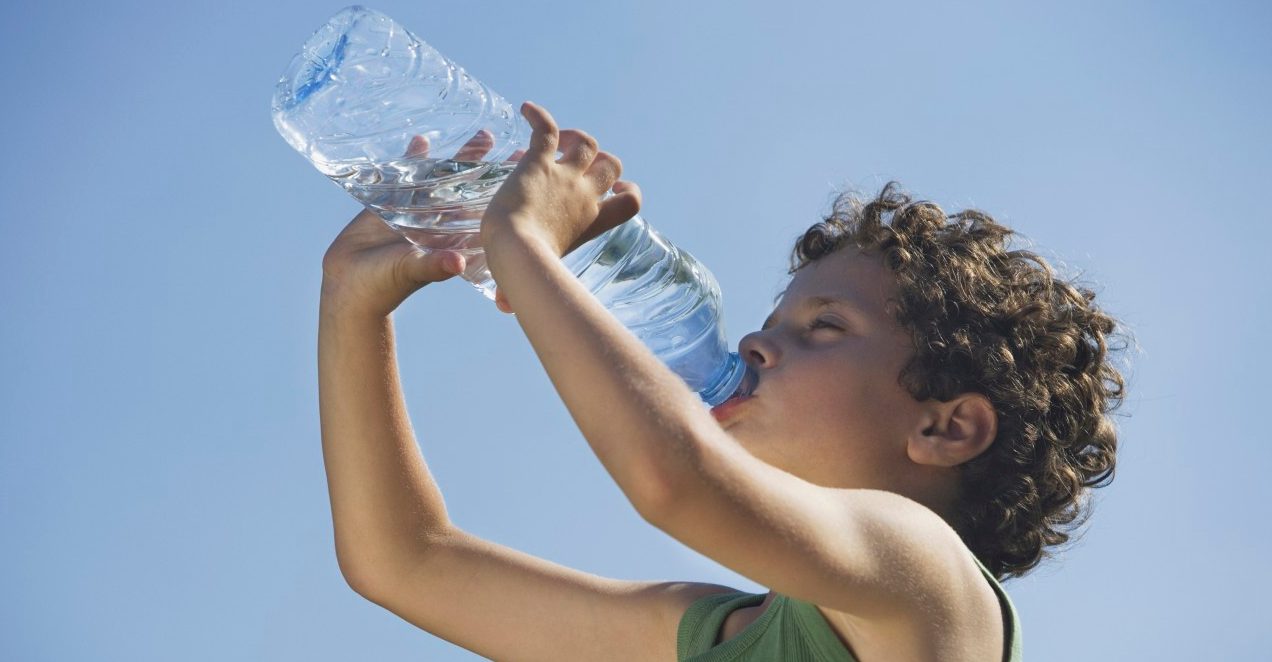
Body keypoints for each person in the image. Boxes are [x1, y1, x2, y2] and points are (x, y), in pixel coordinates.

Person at [317, 101, 1126, 661]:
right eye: (771, 323)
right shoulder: (716, 635)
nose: (754, 343)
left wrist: (525, 242)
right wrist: (353, 308)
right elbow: (405, 562)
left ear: (945, 428)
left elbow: (673, 478)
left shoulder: (925, 582)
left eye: (824, 327)